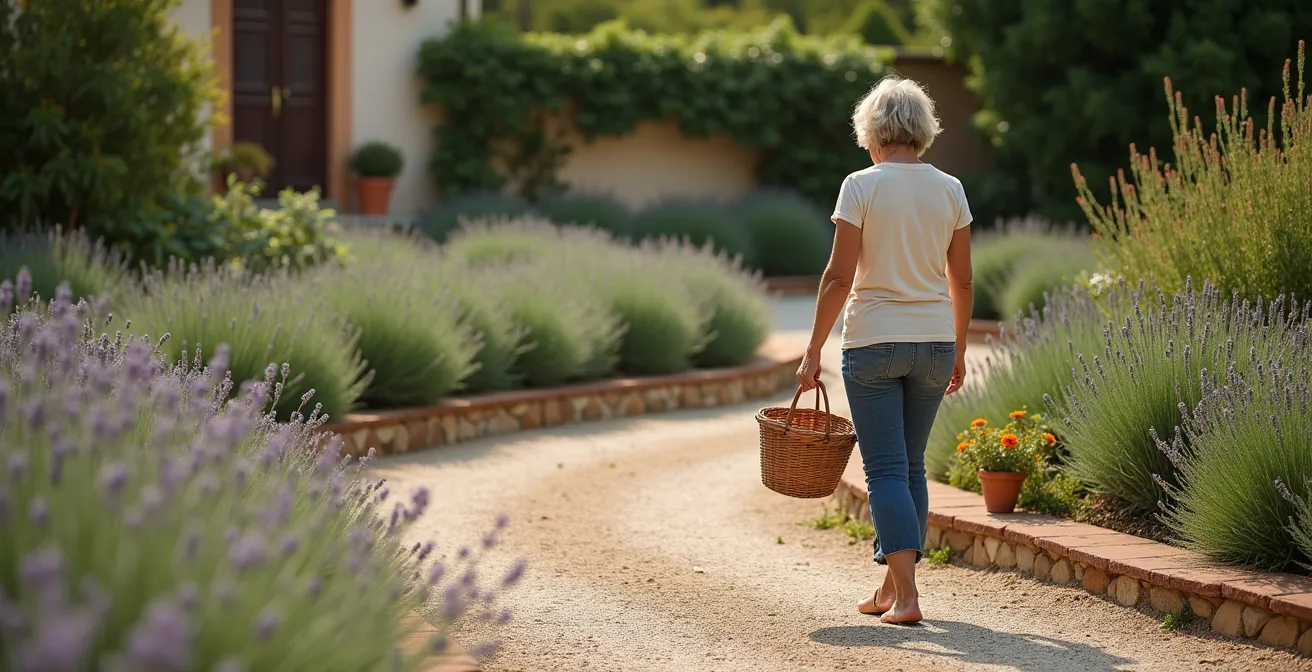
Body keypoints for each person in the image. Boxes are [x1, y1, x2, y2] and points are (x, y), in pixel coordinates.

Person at [795, 75, 973, 625]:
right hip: (936, 342)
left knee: (887, 471)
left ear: (872, 132)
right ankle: (891, 588)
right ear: (922, 131)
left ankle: (910, 598)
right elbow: (962, 282)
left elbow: (836, 277)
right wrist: (960, 349)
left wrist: (810, 353)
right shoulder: (951, 188)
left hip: (873, 343)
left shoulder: (860, 185)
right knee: (910, 466)